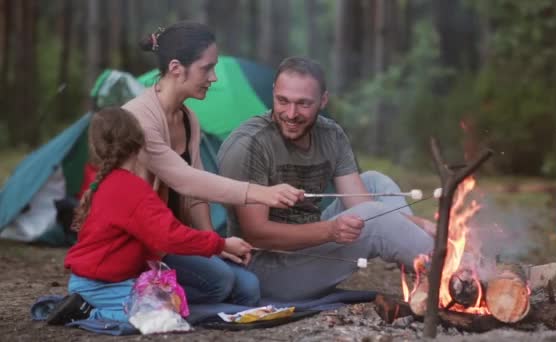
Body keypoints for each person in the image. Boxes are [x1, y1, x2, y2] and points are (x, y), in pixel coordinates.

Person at [217, 56, 435, 301]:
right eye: (283, 101)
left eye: (303, 104)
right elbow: (256, 233)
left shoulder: (330, 134)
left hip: (311, 248)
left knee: (375, 182)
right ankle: (458, 273)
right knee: (375, 219)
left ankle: (432, 264)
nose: (291, 113)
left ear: (323, 101)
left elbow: (362, 203)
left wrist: (422, 224)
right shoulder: (251, 144)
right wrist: (329, 231)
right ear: (273, 93)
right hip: (267, 270)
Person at [122, 22, 303, 307]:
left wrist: (211, 244)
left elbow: (194, 194)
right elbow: (185, 179)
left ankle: (164, 293)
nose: (214, 77)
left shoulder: (188, 118)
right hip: (137, 241)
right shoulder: (138, 120)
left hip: (172, 239)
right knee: (220, 284)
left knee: (248, 288)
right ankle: (129, 295)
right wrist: (263, 192)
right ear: (176, 67)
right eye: (206, 68)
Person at [48, 107, 254, 324]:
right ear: (139, 143)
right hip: (101, 284)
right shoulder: (130, 189)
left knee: (186, 298)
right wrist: (222, 244)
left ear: (97, 148)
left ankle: (99, 303)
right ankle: (86, 311)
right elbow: (169, 235)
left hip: (102, 279)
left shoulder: (107, 182)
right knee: (157, 318)